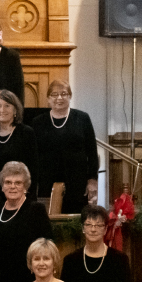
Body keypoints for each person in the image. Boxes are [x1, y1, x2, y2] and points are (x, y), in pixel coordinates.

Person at [31, 80, 99, 213]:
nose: (59, 98)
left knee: (75, 222)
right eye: (54, 94)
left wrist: (92, 180)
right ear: (48, 98)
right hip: (46, 183)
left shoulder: (82, 118)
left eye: (64, 94)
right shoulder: (38, 122)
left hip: (77, 183)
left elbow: (92, 152)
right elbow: (34, 155)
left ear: (70, 96)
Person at [0, 162, 52, 282]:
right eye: (8, 182)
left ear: (25, 187)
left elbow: (47, 245)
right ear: (2, 186)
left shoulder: (36, 210)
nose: (12, 187)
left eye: (18, 183)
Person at [0, 89, 39, 196]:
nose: (2, 110)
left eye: (7, 106)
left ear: (15, 110)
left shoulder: (26, 133)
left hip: (19, 193)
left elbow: (33, 169)